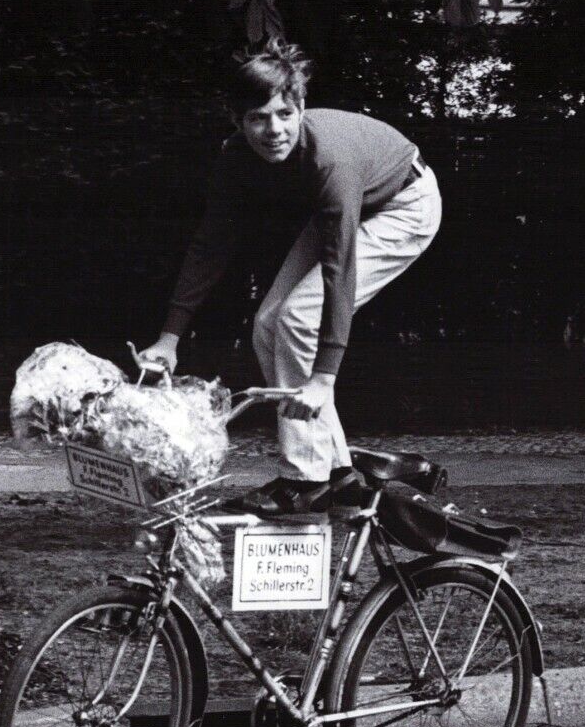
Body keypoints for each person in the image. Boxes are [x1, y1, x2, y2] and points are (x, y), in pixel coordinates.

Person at [138, 38, 443, 515]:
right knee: (266, 324)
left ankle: (305, 478)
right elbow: (211, 243)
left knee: (299, 315)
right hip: (348, 209)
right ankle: (339, 474)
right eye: (258, 118)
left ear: (301, 106)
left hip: (404, 204)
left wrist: (324, 377)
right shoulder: (236, 155)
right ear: (236, 120)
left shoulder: (330, 159)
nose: (273, 130)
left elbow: (338, 274)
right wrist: (169, 338)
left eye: (284, 113)